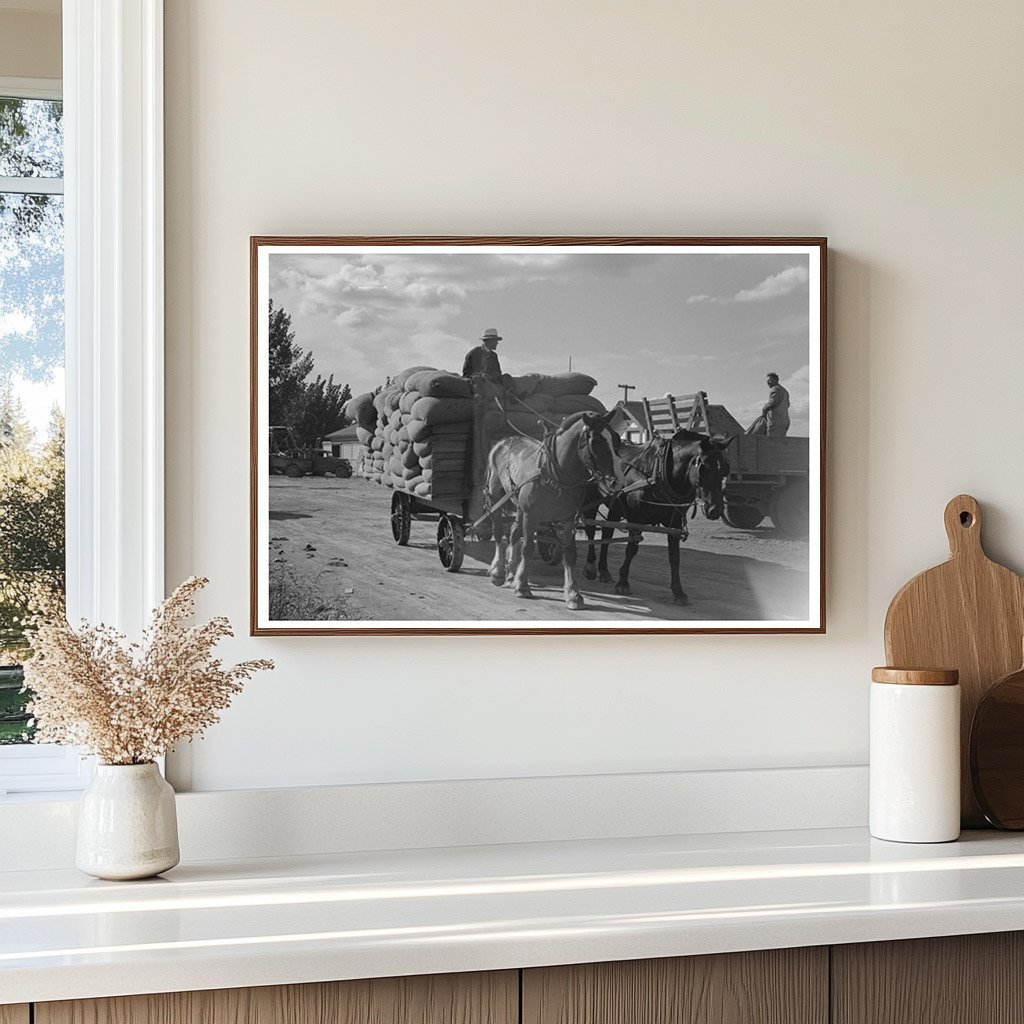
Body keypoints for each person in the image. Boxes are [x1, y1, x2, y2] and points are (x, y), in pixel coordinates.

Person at [762, 372, 791, 437]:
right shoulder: (785, 391)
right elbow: (788, 404)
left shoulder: (775, 389)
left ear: (776, 380)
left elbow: (773, 402)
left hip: (776, 421)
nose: (768, 383)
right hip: (785, 421)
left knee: (772, 441)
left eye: (770, 380)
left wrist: (764, 408)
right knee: (780, 441)